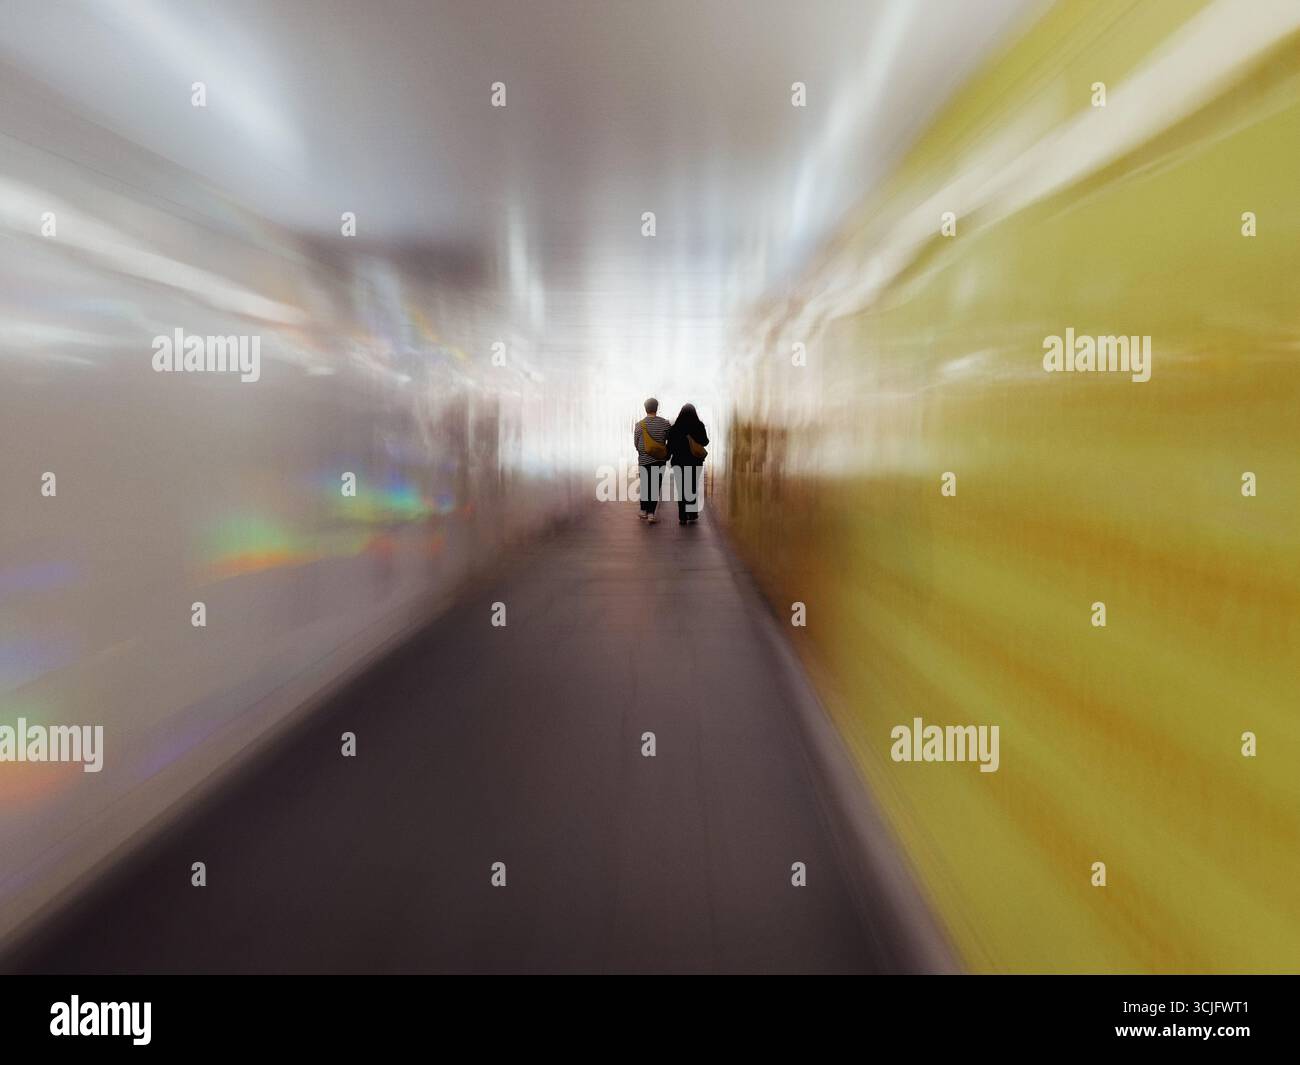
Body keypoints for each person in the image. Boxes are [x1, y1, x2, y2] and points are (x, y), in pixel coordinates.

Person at [666, 403, 709, 525]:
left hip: (679, 462)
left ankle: (683, 516)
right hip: (695, 462)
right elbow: (705, 442)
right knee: (692, 488)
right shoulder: (699, 425)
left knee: (681, 489)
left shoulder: (675, 428)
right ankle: (692, 513)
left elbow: (670, 446)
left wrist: (667, 456)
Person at [633, 397, 671, 523]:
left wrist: (643, 452)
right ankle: (651, 514)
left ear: (645, 409)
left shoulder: (639, 425)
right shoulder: (665, 423)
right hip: (659, 460)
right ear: (657, 408)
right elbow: (669, 441)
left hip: (644, 460)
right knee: (654, 486)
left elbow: (636, 443)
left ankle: (643, 510)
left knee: (645, 485)